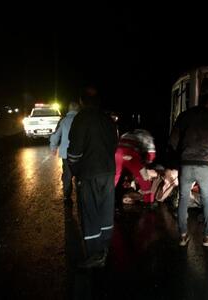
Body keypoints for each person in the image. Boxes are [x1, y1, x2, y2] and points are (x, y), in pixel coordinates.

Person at [67, 88, 118, 268]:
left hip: (89, 173)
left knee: (90, 214)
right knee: (105, 211)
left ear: (82, 101)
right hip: (108, 172)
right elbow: (114, 144)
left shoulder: (81, 119)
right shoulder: (107, 120)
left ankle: (95, 255)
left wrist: (76, 170)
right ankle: (104, 249)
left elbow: (74, 152)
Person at [168, 94, 208, 247]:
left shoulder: (184, 116)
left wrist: (180, 157)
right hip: (204, 164)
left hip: (186, 163)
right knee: (207, 201)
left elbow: (173, 141)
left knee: (183, 198)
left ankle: (183, 236)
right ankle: (207, 236)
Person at [114, 129, 157, 208]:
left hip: (117, 155)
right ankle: (149, 203)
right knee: (145, 180)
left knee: (114, 179)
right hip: (132, 156)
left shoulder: (126, 133)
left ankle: (106, 199)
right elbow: (151, 155)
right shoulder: (147, 135)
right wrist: (146, 165)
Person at [49, 101, 80, 205]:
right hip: (81, 153)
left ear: (69, 110)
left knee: (67, 175)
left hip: (66, 153)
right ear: (78, 110)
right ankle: (81, 195)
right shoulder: (82, 120)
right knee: (81, 174)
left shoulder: (63, 121)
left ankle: (67, 196)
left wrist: (53, 147)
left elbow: (55, 135)